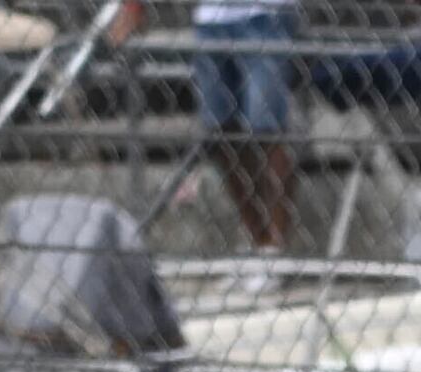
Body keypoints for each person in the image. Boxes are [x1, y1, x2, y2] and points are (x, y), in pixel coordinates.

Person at [112, 0, 300, 254]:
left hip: (266, 13)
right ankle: (258, 241)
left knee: (267, 128)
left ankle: (275, 249)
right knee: (219, 131)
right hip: (210, 19)